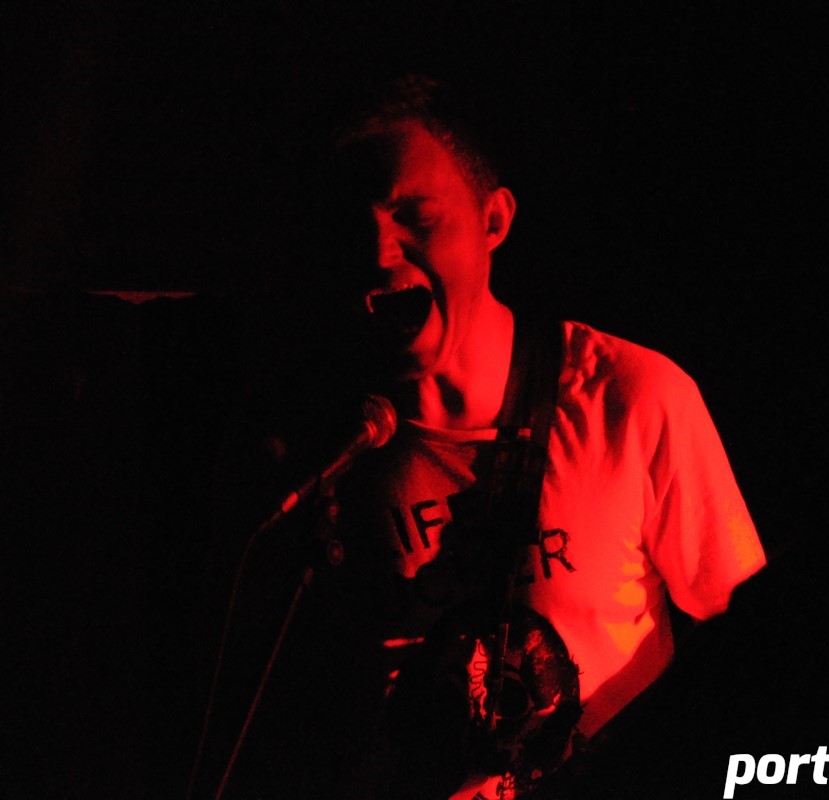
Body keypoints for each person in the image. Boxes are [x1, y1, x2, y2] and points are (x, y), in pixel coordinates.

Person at [214, 74, 766, 800]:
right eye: (353, 227)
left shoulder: (631, 397)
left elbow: (752, 654)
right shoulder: (327, 448)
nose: (379, 251)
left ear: (494, 221)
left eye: (416, 216)